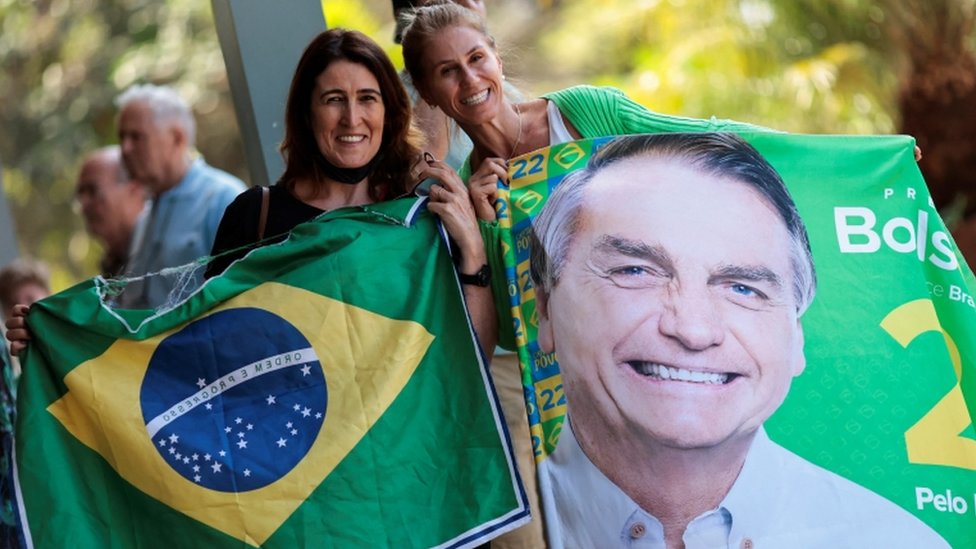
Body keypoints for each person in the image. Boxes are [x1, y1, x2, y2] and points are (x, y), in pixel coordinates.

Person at [528, 133, 948, 548]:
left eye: (744, 288)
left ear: (796, 337)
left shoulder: (897, 540)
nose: (693, 331)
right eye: (636, 271)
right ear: (545, 308)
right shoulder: (483, 525)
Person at [202, 28, 496, 352]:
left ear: (389, 113)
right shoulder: (255, 215)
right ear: (305, 113)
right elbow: (211, 347)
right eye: (334, 100)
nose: (352, 119)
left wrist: (472, 245)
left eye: (367, 98)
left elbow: (474, 359)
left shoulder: (422, 218)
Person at [115, 83, 246, 309]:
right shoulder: (144, 218)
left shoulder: (223, 198)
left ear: (177, 138)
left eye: (137, 137)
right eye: (122, 137)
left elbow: (244, 295)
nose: (125, 149)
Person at [74, 146, 147, 278]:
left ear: (134, 189)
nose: (83, 205)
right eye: (81, 195)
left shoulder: (163, 250)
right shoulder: (114, 264)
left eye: (92, 191)